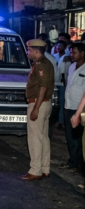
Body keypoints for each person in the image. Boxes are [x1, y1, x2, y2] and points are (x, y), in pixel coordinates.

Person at [21, 39, 55, 180]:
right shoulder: (45, 63)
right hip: (45, 104)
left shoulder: (41, 65)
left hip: (38, 103)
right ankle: (45, 168)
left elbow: (43, 88)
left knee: (35, 137)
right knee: (43, 137)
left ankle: (35, 170)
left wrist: (36, 108)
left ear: (36, 51)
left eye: (29, 50)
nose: (27, 52)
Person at [63, 43, 85, 172]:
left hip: (80, 108)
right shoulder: (72, 66)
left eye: (74, 52)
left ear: (82, 53)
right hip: (69, 105)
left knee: (79, 137)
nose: (71, 55)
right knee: (70, 136)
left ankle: (80, 164)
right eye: (71, 52)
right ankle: (73, 162)